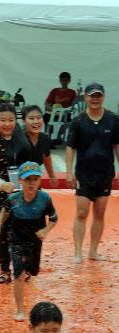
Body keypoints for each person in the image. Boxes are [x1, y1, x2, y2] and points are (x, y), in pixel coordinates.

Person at [0, 104, 56, 285]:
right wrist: (0, 184)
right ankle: (5, 270)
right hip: (2, 192)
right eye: (3, 120)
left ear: (16, 121)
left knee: (27, 231)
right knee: (2, 233)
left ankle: (25, 267)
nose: (7, 124)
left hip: (25, 191)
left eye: (11, 120)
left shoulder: (21, 135)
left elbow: (39, 155)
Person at [0, 163, 57, 321]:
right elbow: (5, 211)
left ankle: (29, 269)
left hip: (35, 241)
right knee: (19, 274)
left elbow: (54, 218)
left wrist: (45, 230)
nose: (31, 183)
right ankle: (20, 309)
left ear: (40, 181)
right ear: (20, 181)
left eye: (35, 179)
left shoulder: (44, 199)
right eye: (27, 179)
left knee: (33, 270)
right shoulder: (14, 199)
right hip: (16, 241)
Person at [65, 82, 119, 263]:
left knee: (100, 212)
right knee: (81, 212)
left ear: (103, 97)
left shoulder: (113, 119)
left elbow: (117, 146)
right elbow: (70, 148)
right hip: (84, 173)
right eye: (91, 96)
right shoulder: (78, 121)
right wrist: (69, 172)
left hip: (105, 173)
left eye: (98, 96)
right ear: (86, 97)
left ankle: (93, 251)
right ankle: (78, 252)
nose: (95, 99)